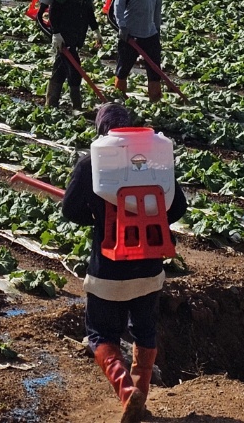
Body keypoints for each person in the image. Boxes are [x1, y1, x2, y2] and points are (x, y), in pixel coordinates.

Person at [62, 100, 187, 422]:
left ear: (102, 129)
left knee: (101, 334)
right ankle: (140, 394)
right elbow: (176, 209)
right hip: (150, 266)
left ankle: (126, 392)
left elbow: (70, 211)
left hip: (108, 267)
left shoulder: (91, 163)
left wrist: (100, 217)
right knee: (145, 329)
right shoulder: (156, 160)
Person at [36, 0, 106, 109]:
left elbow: (88, 11)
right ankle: (77, 106)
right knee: (74, 70)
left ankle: (51, 103)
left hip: (76, 33)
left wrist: (96, 30)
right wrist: (56, 33)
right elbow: (54, 9)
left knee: (60, 69)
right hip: (63, 33)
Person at [113, 0, 166, 101]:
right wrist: (122, 26)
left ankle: (155, 100)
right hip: (131, 34)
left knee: (155, 70)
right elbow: (118, 4)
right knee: (123, 68)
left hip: (150, 33)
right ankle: (119, 97)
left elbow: (157, 9)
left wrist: (157, 30)